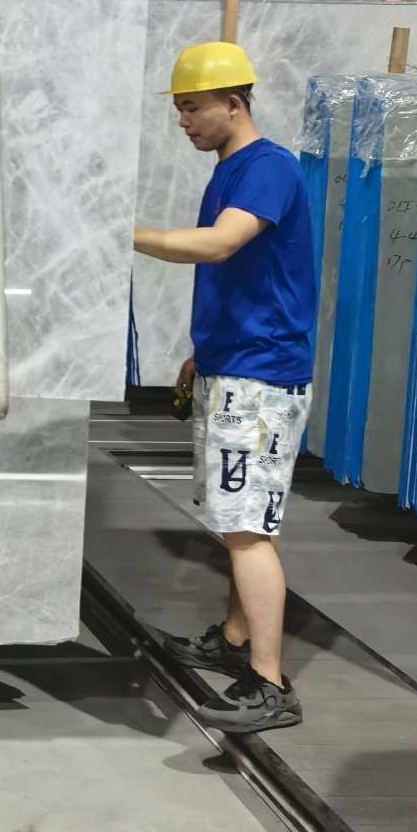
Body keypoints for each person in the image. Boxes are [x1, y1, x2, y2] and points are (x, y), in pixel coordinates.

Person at [133, 41, 317, 734]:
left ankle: (269, 683)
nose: (183, 122)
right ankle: (234, 640)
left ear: (233, 104)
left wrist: (128, 234)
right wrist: (201, 353)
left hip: (260, 377)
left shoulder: (267, 169)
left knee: (247, 531)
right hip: (233, 364)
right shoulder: (232, 170)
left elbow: (219, 246)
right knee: (240, 520)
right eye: (179, 110)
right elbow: (244, 279)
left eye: (192, 109)